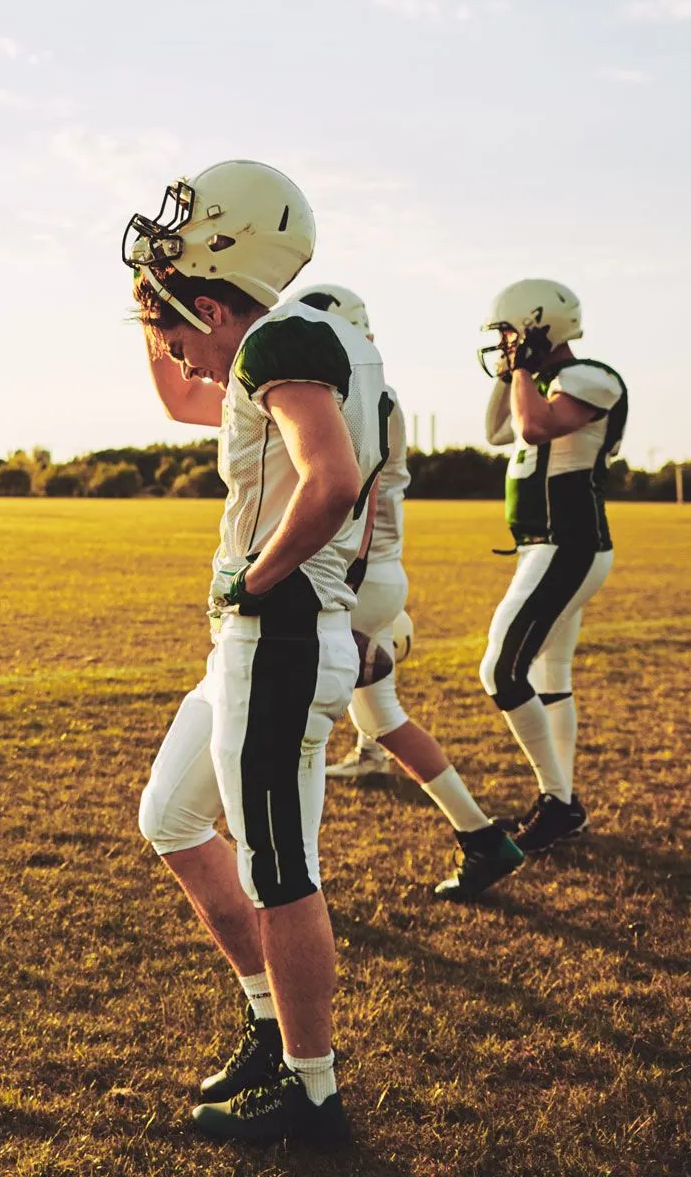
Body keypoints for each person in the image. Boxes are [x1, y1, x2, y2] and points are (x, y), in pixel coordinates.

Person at [124, 161, 382, 1148]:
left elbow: (332, 480)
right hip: (256, 647)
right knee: (173, 815)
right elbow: (181, 396)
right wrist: (153, 311)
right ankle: (270, 1027)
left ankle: (313, 1092)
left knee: (280, 866)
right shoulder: (274, 348)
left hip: (277, 640)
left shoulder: (289, 334)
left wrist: (255, 577)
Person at [302, 285, 524, 901]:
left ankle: (285, 884)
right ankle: (481, 837)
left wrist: (343, 574)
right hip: (376, 572)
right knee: (383, 718)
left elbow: (358, 490)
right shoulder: (376, 388)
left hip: (353, 573)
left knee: (290, 727)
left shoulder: (351, 390)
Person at [477, 280, 627, 853]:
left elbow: (536, 427)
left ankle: (559, 802)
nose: (505, 344)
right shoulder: (535, 382)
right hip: (545, 544)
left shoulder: (593, 376)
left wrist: (522, 371)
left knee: (500, 671)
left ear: (540, 326)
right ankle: (561, 800)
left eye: (510, 332)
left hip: (568, 542)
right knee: (549, 674)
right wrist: (511, 371)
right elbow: (497, 432)